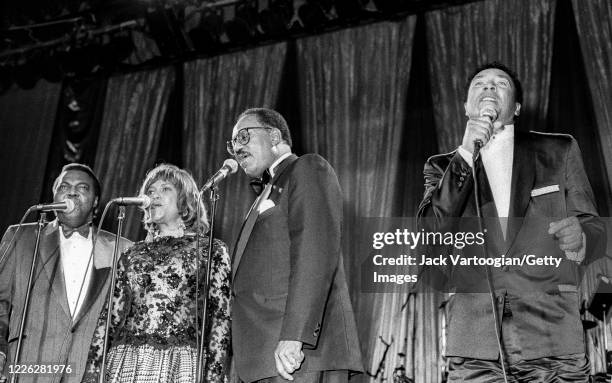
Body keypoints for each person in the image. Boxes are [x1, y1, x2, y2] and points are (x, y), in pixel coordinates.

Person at [417, 62, 606, 381]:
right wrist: (465, 154)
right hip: (476, 344)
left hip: (552, 336)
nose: (489, 87)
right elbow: (429, 233)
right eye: (479, 84)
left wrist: (583, 235)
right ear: (466, 106)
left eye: (500, 83)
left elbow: (595, 229)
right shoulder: (442, 166)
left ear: (516, 107)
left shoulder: (558, 149)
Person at [229, 108, 363, 383]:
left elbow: (314, 254)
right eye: (233, 144)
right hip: (261, 356)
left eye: (243, 137)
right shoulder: (266, 191)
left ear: (275, 136)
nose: (237, 148)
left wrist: (294, 335)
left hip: (296, 354)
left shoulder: (306, 168)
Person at [84, 164, 230, 383]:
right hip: (126, 363)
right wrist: (93, 373)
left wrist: (213, 377)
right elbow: (109, 318)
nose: (154, 195)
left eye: (165, 189)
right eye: (150, 191)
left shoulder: (211, 250)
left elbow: (220, 319)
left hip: (181, 366)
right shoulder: (132, 253)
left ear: (185, 200)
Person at [0, 163, 132, 383]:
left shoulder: (121, 248)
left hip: (89, 372)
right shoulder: (21, 237)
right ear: (54, 196)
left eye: (82, 187)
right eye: (64, 186)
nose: (71, 191)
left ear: (96, 202)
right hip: (27, 368)